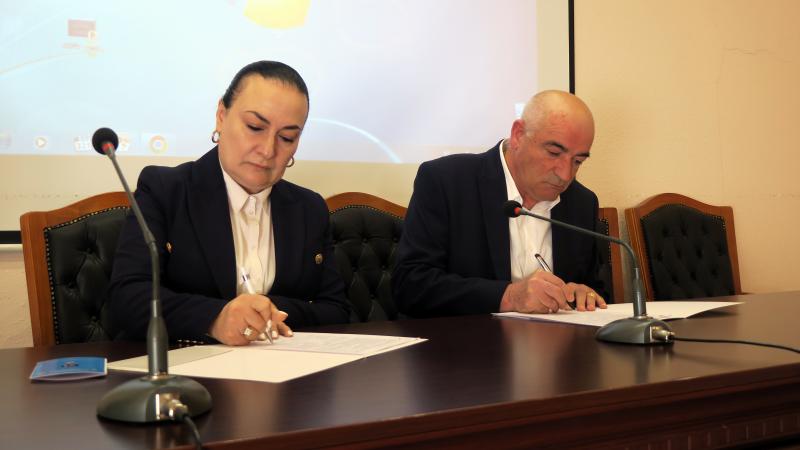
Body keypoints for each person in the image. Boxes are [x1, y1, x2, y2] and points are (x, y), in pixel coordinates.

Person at [109, 61, 350, 346]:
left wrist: (265, 311)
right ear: (221, 116)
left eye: (287, 137)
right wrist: (215, 318)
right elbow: (127, 298)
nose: (268, 150)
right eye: (255, 127)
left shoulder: (309, 208)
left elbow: (336, 310)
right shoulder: (165, 190)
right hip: (184, 367)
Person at [392, 90, 608, 318]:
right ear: (518, 135)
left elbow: (597, 291)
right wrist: (509, 296)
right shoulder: (445, 182)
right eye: (554, 153)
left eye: (578, 161)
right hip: (466, 338)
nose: (565, 175)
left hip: (556, 340)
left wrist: (582, 295)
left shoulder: (582, 202)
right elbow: (410, 286)